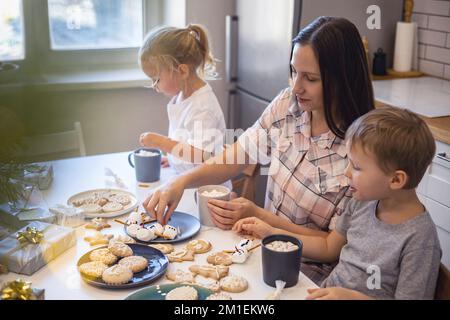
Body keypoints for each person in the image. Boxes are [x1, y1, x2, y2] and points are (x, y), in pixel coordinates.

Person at [143, 16, 374, 284]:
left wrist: (260, 216)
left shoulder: (361, 153)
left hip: (306, 275)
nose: (296, 87)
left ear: (342, 79)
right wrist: (181, 182)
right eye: (293, 72)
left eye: (310, 78)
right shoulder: (287, 105)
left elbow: (331, 246)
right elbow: (238, 155)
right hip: (259, 249)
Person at [234, 108, 442, 300]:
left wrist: (351, 298)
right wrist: (273, 233)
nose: (347, 172)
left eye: (357, 167)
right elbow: (327, 248)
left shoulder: (420, 240)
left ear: (396, 180)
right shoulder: (361, 203)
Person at [138, 24, 228, 175]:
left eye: (157, 79)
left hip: (205, 188)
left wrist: (161, 143)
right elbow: (186, 141)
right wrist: (173, 158)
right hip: (186, 178)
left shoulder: (203, 107)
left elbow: (201, 155)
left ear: (182, 71)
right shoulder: (182, 96)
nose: (154, 86)